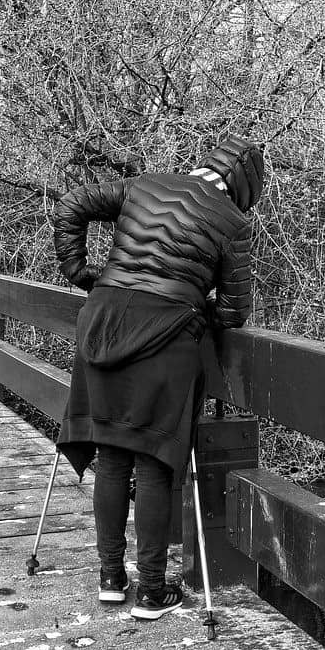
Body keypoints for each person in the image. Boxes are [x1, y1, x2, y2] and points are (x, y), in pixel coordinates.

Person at [52, 135, 264, 620]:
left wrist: (81, 271)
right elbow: (233, 312)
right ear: (244, 185)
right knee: (151, 461)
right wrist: (193, 300)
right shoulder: (233, 223)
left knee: (110, 457)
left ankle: (110, 578)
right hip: (167, 336)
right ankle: (151, 591)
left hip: (103, 320)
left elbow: (72, 204)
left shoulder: (143, 186)